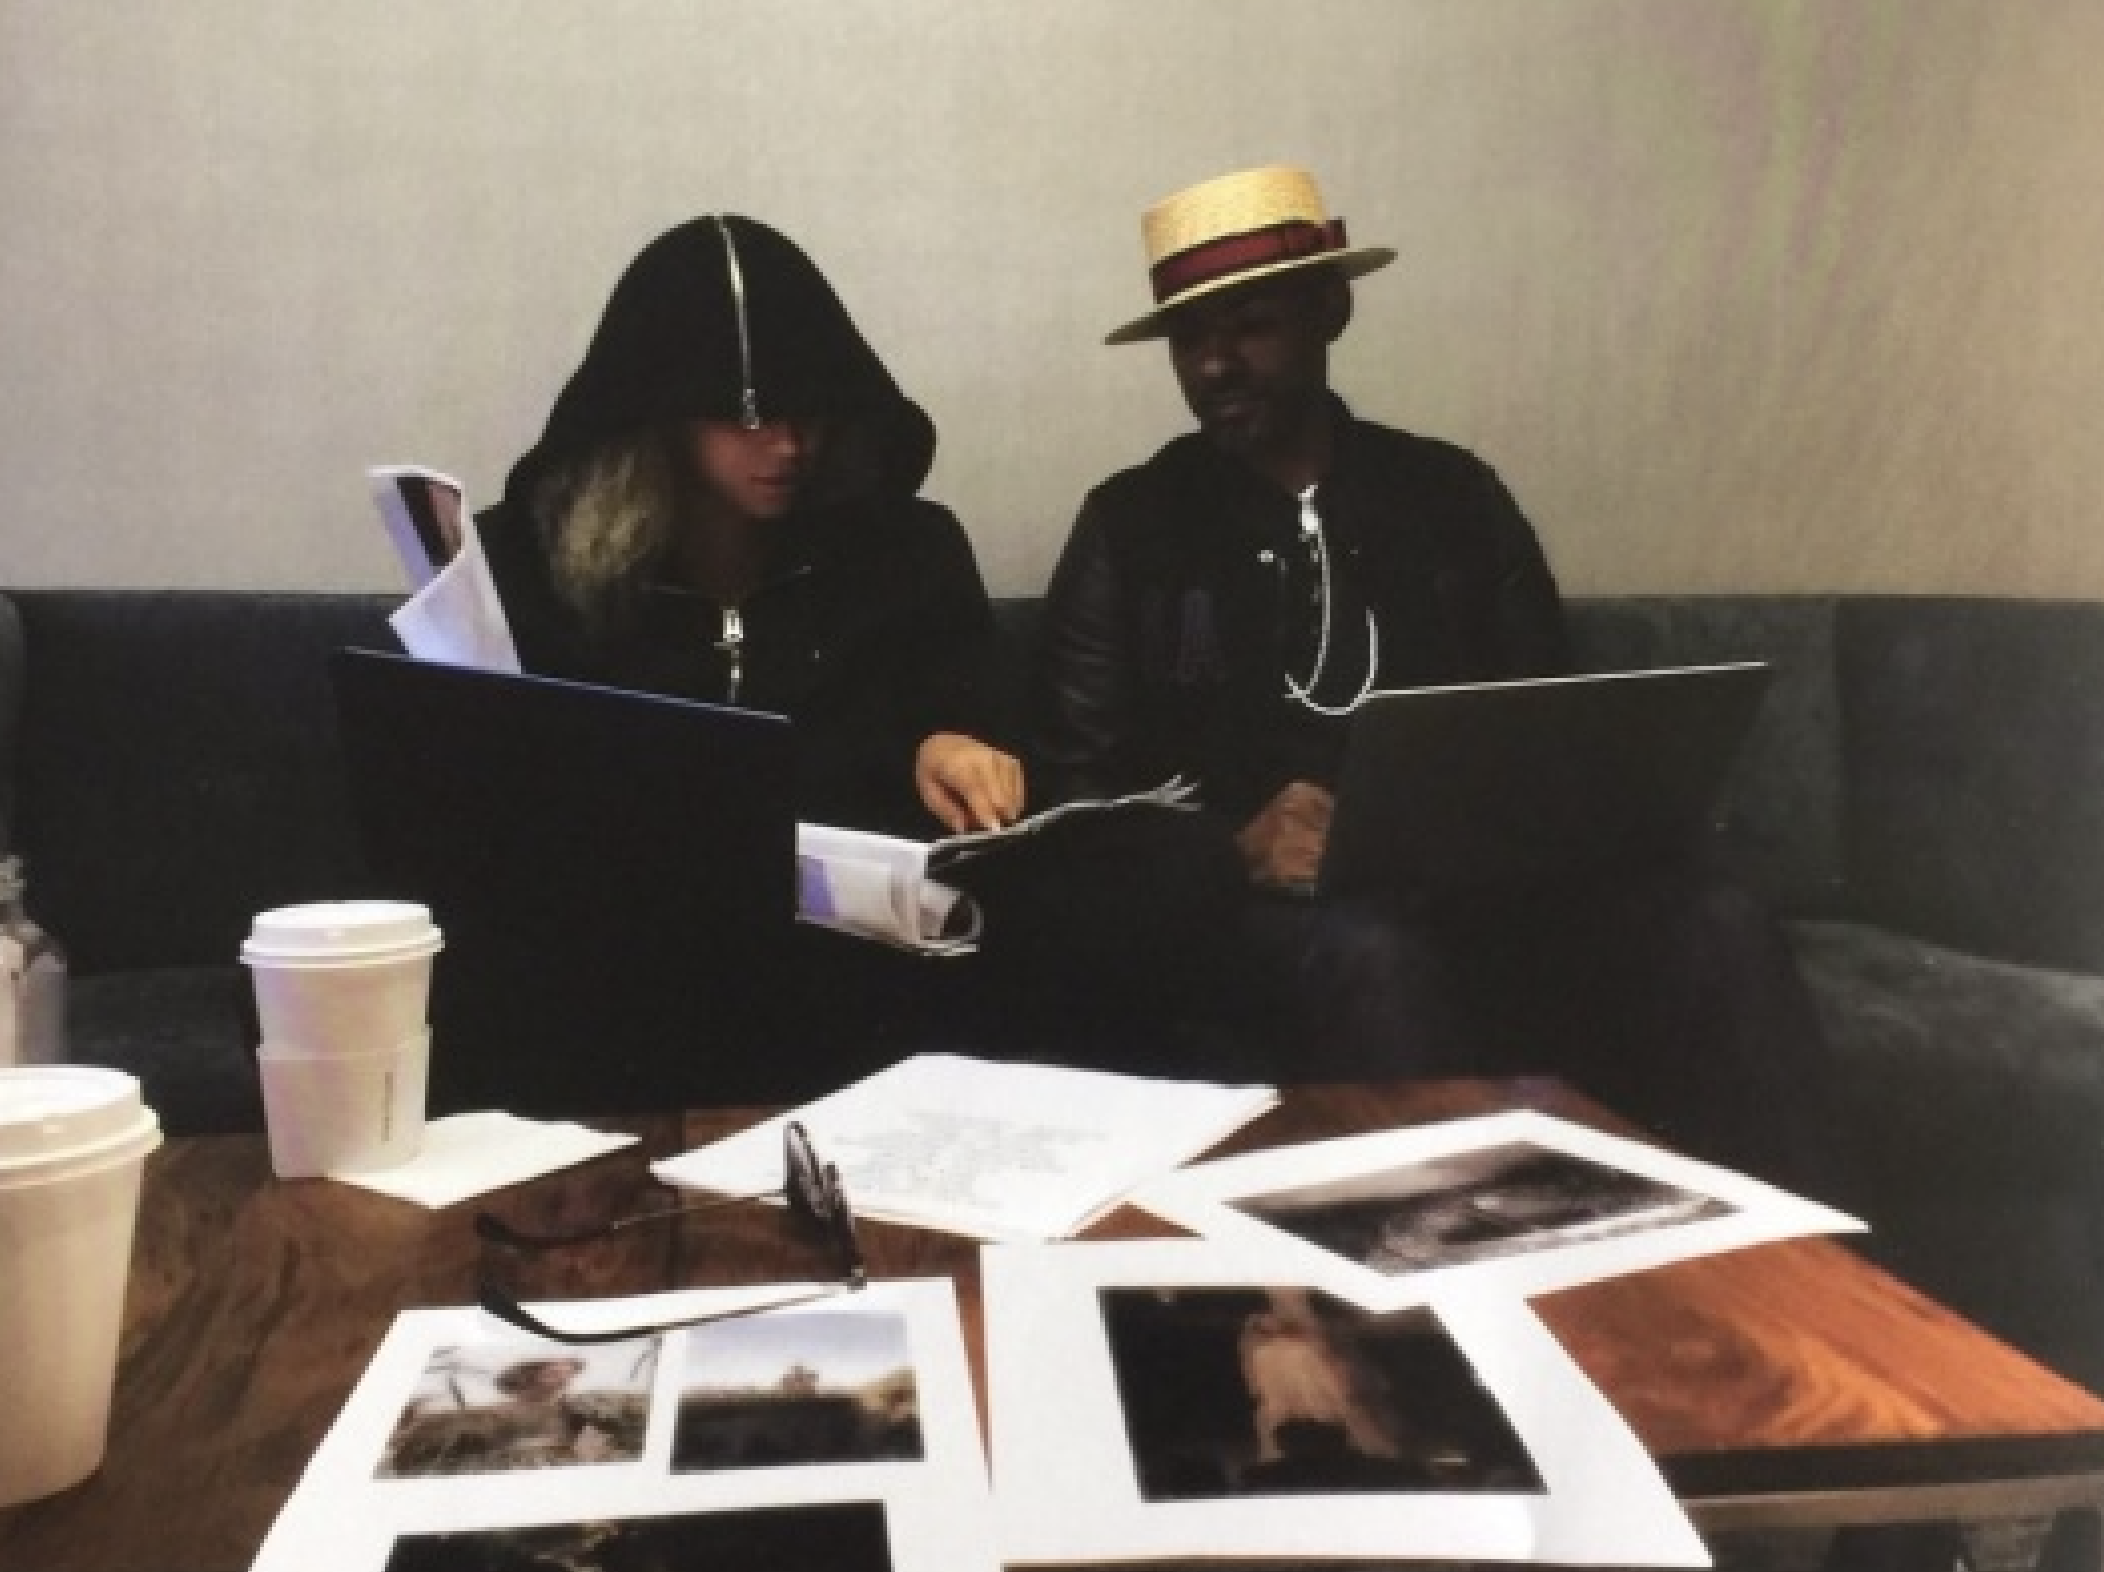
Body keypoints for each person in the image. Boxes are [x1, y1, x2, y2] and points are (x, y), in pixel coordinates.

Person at [1027, 165, 1848, 1193]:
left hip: (1483, 903)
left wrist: (1489, 829)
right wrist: (1227, 847)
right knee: (1374, 950)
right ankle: (1443, 1280)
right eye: (1190, 340)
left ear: (1330, 311)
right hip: (1263, 928)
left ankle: (1820, 1261)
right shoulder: (1132, 524)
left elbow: (1549, 727)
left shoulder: (1452, 497)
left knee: (1716, 922)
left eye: (1252, 326)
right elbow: (1072, 815)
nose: (1216, 364)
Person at [478, 214, 1023, 838]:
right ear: (667, 417)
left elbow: (968, 727)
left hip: (853, 896)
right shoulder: (537, 572)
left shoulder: (912, 556)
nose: (789, 446)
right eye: (748, 417)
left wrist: (948, 744)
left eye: (808, 413)